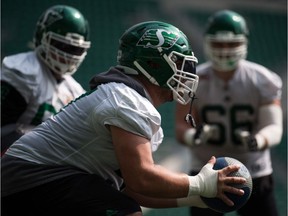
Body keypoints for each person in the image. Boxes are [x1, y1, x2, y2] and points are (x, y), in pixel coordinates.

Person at [1, 21, 247, 216]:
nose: (187, 72)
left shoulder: (128, 100)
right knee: (123, 210)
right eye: (180, 63)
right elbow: (143, 178)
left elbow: (133, 188)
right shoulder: (126, 101)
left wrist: (196, 198)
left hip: (33, 182)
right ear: (154, 63)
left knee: (120, 201)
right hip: (28, 178)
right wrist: (199, 184)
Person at [175, 10, 283, 216]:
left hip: (254, 171)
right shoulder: (192, 80)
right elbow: (181, 127)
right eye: (218, 43)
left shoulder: (263, 79)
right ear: (207, 43)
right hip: (207, 170)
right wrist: (195, 135)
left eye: (231, 43)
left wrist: (257, 140)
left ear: (243, 43)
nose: (224, 50)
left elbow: (274, 127)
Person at [1, 5, 91, 155]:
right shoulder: (22, 71)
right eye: (62, 46)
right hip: (13, 157)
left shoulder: (75, 91)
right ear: (41, 37)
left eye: (75, 49)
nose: (68, 55)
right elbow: (4, 130)